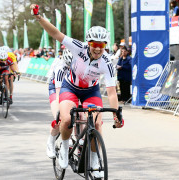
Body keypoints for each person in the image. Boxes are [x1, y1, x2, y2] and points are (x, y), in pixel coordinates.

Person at [30, 4, 123, 178]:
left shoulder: (107, 62)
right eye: (95, 44)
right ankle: (64, 149)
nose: (98, 48)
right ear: (89, 43)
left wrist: (117, 113)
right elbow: (57, 34)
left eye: (102, 45)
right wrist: (39, 18)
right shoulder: (77, 47)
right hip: (70, 87)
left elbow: (111, 91)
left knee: (96, 124)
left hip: (91, 91)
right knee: (66, 119)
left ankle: (95, 160)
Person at [46, 48, 73, 158]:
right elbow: (58, 94)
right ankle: (50, 143)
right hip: (56, 88)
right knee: (60, 116)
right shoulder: (60, 67)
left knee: (80, 113)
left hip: (71, 89)